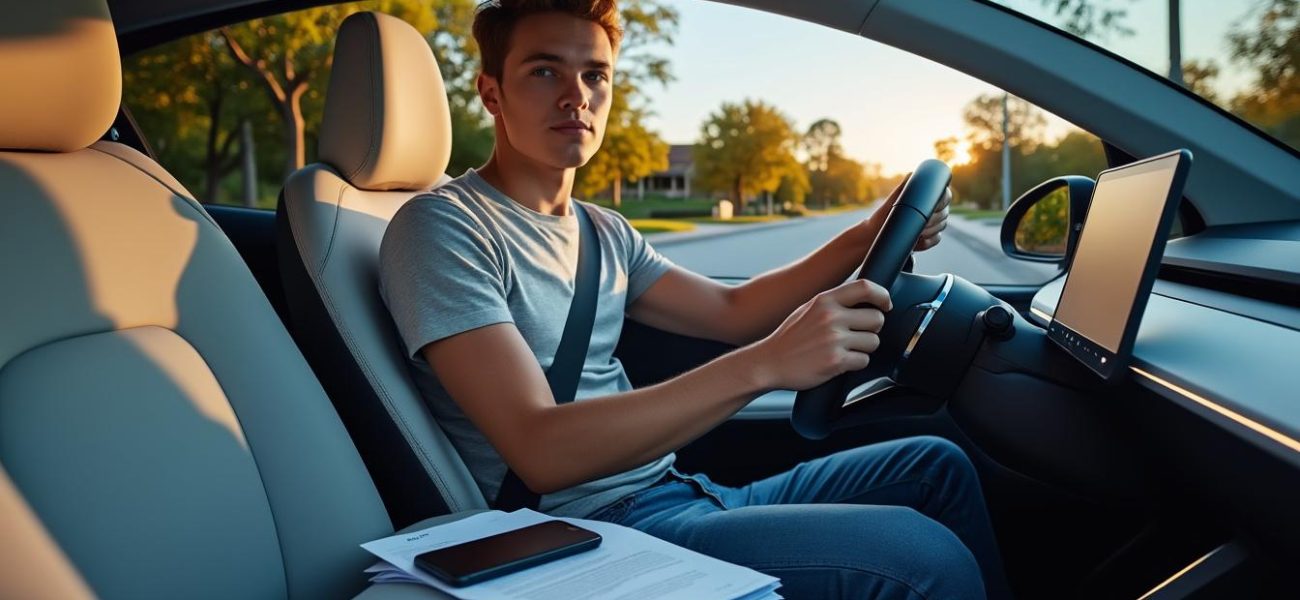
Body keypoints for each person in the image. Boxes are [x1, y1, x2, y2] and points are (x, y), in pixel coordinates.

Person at [379, 1, 1011, 597]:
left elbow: (733, 311)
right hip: (588, 532)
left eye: (594, 74)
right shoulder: (442, 229)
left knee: (936, 466)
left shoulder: (605, 232)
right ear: (492, 92)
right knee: (924, 559)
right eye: (544, 70)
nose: (576, 96)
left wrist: (867, 234)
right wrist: (768, 364)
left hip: (677, 489)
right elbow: (541, 450)